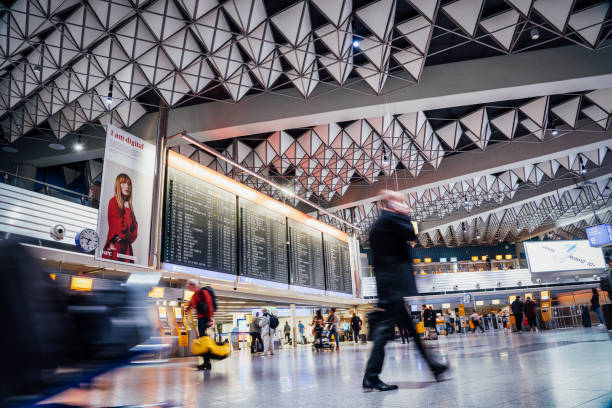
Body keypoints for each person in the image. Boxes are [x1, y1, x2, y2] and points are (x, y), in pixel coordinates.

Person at [363, 190, 448, 391]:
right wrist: (403, 213)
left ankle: (434, 367)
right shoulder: (389, 219)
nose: (404, 205)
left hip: (389, 285)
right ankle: (371, 376)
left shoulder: (381, 223)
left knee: (408, 330)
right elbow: (411, 233)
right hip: (392, 286)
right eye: (400, 202)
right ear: (390, 203)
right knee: (385, 333)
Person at [102, 173, 138, 263]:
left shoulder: (129, 207)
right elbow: (120, 228)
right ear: (118, 185)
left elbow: (135, 231)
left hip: (126, 250)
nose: (127, 186)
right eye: (123, 183)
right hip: (114, 248)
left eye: (129, 184)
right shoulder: (113, 202)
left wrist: (126, 238)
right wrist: (124, 236)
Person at [185, 279, 214, 370]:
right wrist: (186, 308)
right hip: (200, 319)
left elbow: (209, 304)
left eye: (189, 285)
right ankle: (206, 362)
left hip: (205, 318)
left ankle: (207, 362)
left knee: (203, 340)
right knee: (202, 339)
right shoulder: (194, 296)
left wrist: (210, 318)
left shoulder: (203, 292)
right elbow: (191, 303)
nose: (188, 287)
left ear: (194, 285)